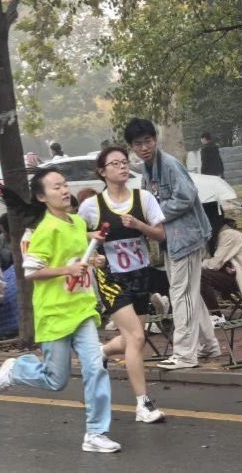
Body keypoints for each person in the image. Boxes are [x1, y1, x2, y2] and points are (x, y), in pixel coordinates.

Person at [0, 167, 121, 453]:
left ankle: (96, 433)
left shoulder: (76, 222)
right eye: (56, 187)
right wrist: (68, 270)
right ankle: (16, 369)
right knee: (56, 380)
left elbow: (76, 253)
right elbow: (32, 271)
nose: (64, 190)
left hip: (82, 310)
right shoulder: (44, 230)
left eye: (65, 184)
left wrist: (92, 260)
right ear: (42, 197)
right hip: (54, 314)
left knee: (95, 367)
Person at [78, 146, 166, 423]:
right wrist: (93, 251)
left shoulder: (143, 198)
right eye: (115, 164)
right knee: (137, 338)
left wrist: (139, 225)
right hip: (112, 278)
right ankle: (143, 404)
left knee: (133, 339)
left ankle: (100, 352)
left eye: (125, 162)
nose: (122, 167)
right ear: (102, 172)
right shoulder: (92, 206)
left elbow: (160, 234)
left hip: (140, 276)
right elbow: (76, 237)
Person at [125, 118, 220, 369]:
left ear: (155, 139)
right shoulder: (147, 169)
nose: (144, 147)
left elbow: (186, 196)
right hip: (171, 240)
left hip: (186, 238)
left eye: (148, 141)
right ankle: (209, 345)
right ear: (132, 147)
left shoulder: (169, 164)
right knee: (189, 294)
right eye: (138, 144)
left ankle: (185, 354)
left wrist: (156, 215)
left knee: (181, 296)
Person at [200, 202, 242, 325]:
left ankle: (216, 315)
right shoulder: (215, 236)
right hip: (234, 275)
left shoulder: (228, 235)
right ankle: (205, 314)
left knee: (201, 275)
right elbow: (209, 259)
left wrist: (199, 263)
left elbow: (214, 264)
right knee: (199, 274)